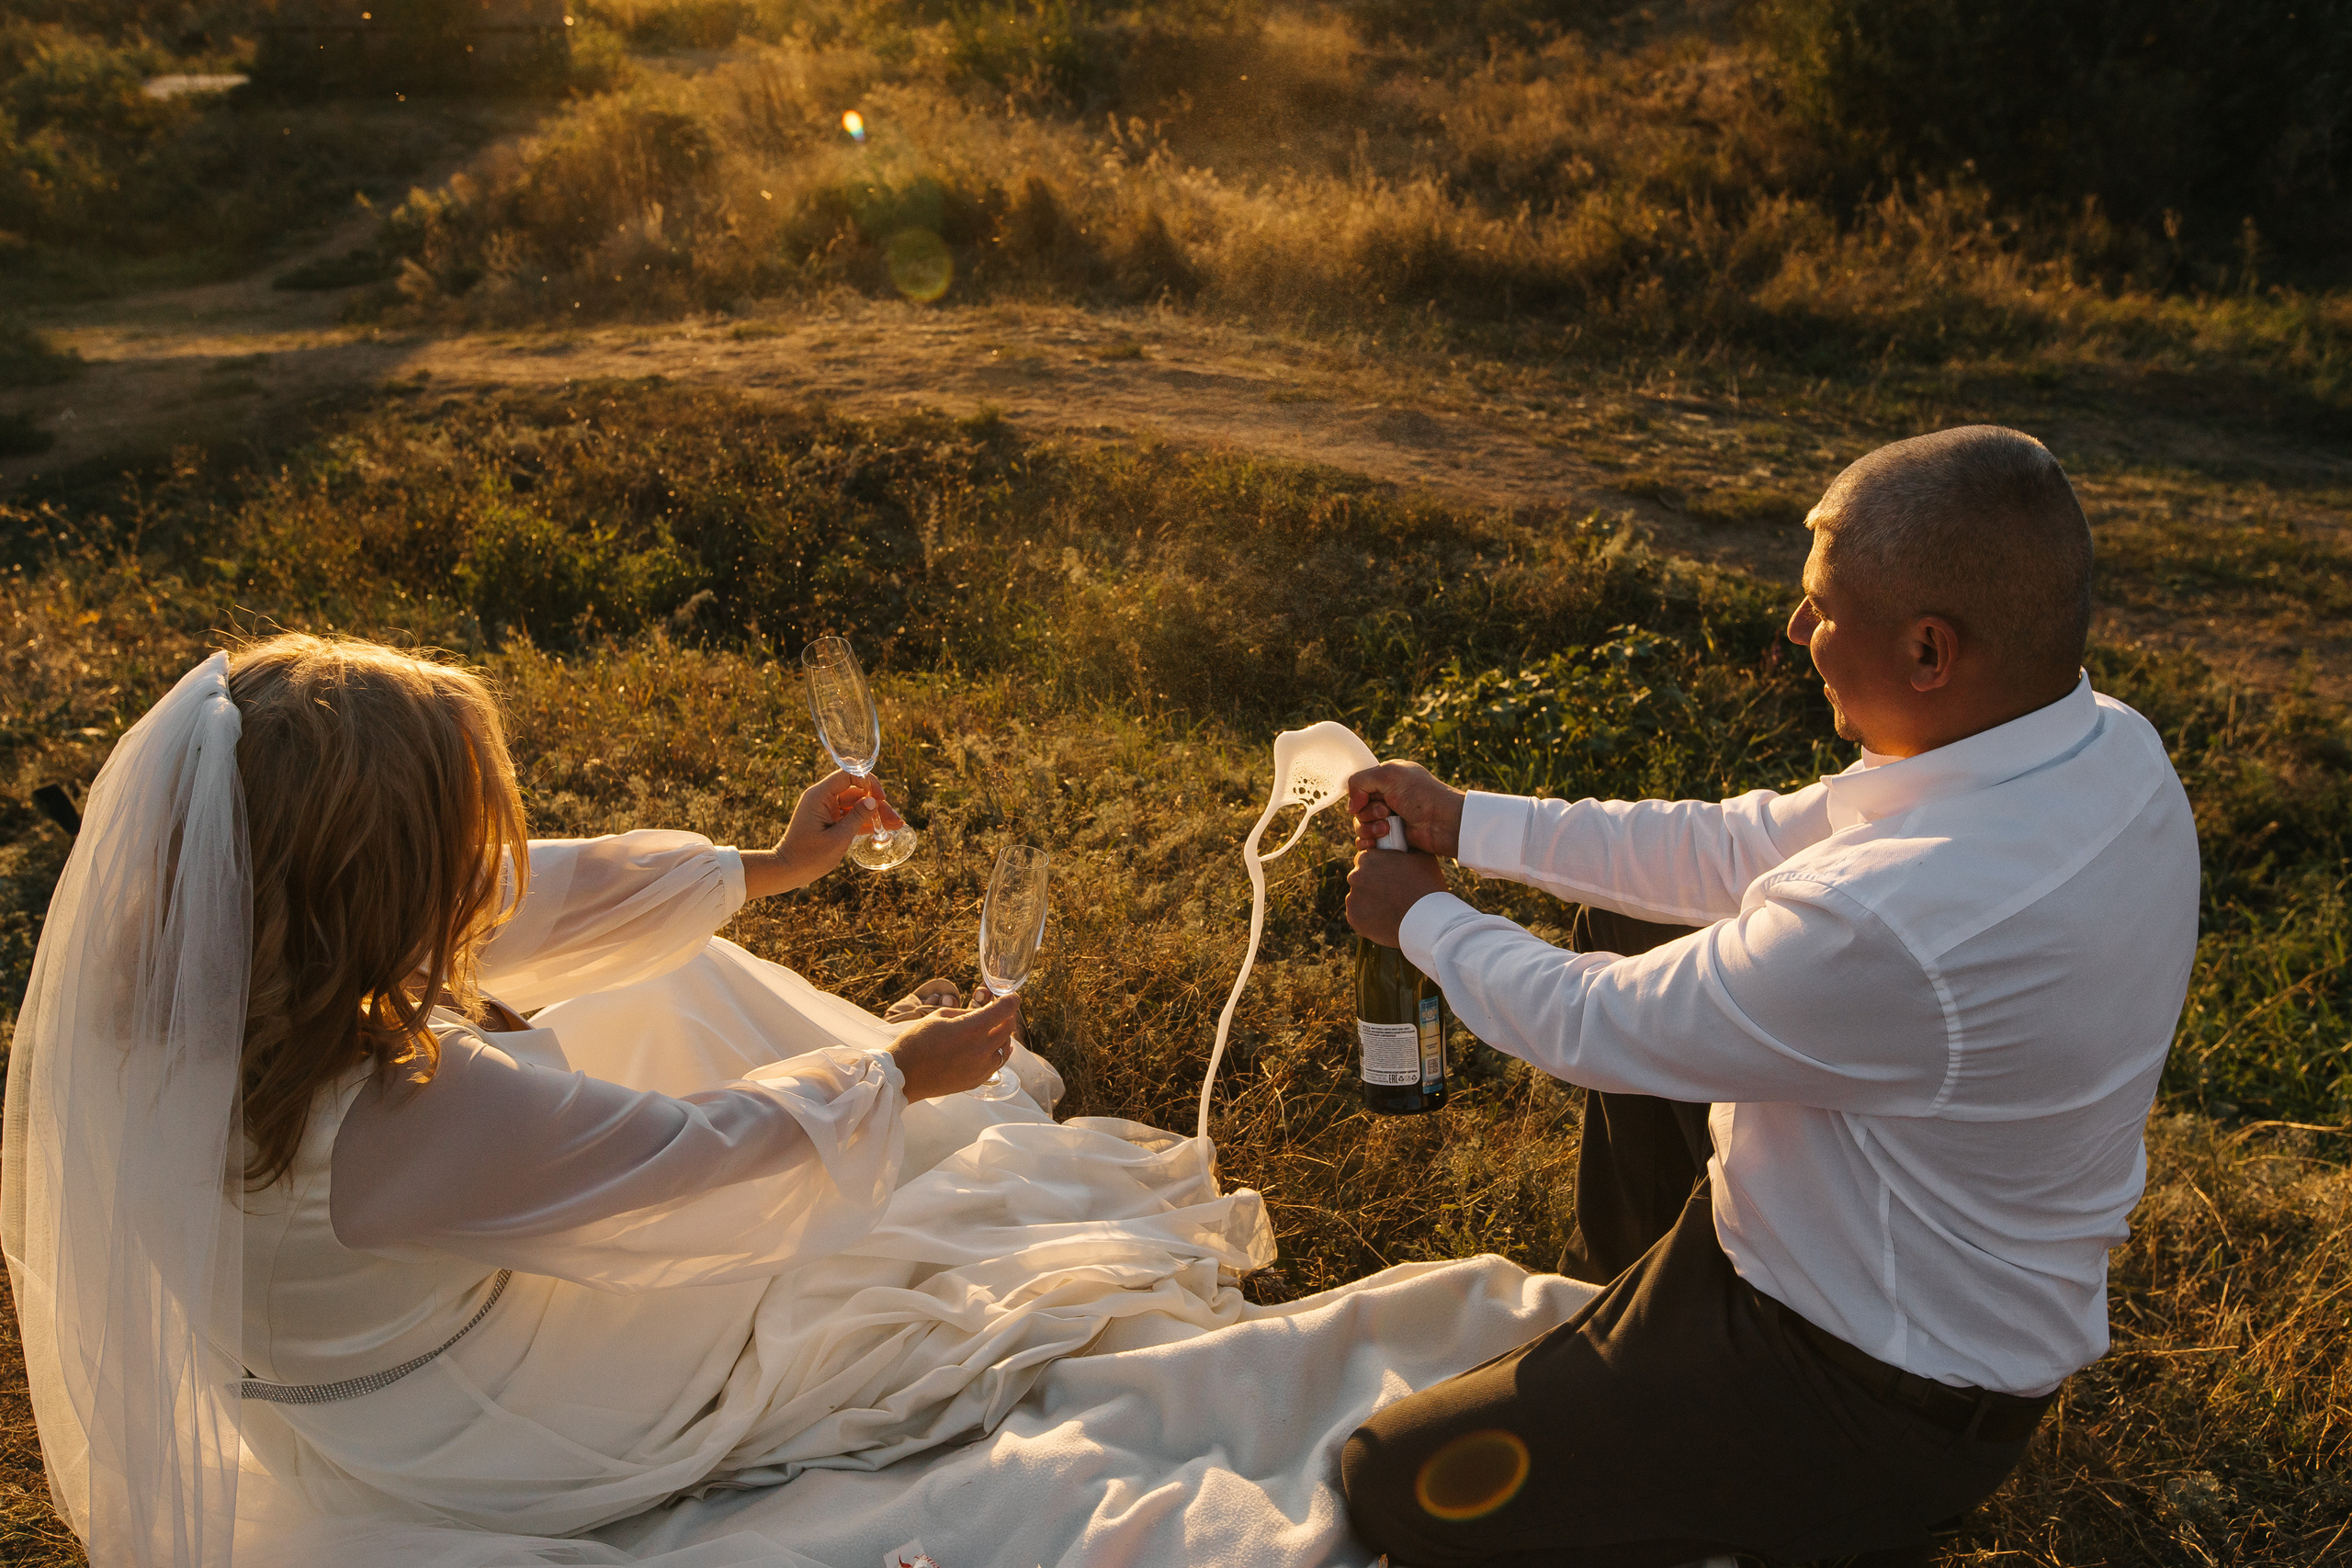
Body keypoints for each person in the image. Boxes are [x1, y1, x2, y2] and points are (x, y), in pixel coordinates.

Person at [3, 632, 1281, 1568]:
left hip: (334, 1410)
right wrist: (894, 1074)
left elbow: (526, 897)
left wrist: (768, 866)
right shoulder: (409, 1112)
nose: (483, 865)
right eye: (455, 838)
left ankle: (885, 1071)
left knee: (676, 979)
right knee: (837, 1241)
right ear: (383, 885)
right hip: (522, 1429)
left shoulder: (183, 976)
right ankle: (918, 1088)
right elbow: (696, 1159)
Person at [1336, 425, 2199, 1566]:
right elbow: (1747, 844)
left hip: (1865, 1387)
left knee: (1390, 1484)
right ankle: (1633, 1323)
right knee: (1639, 925)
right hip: (1868, 1262)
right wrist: (1466, 822)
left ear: (1928, 651)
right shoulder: (2097, 746)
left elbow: (1597, 1025)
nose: (1796, 630)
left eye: (1822, 607)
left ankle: (1769, 1497)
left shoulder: (1905, 918)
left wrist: (1420, 918)